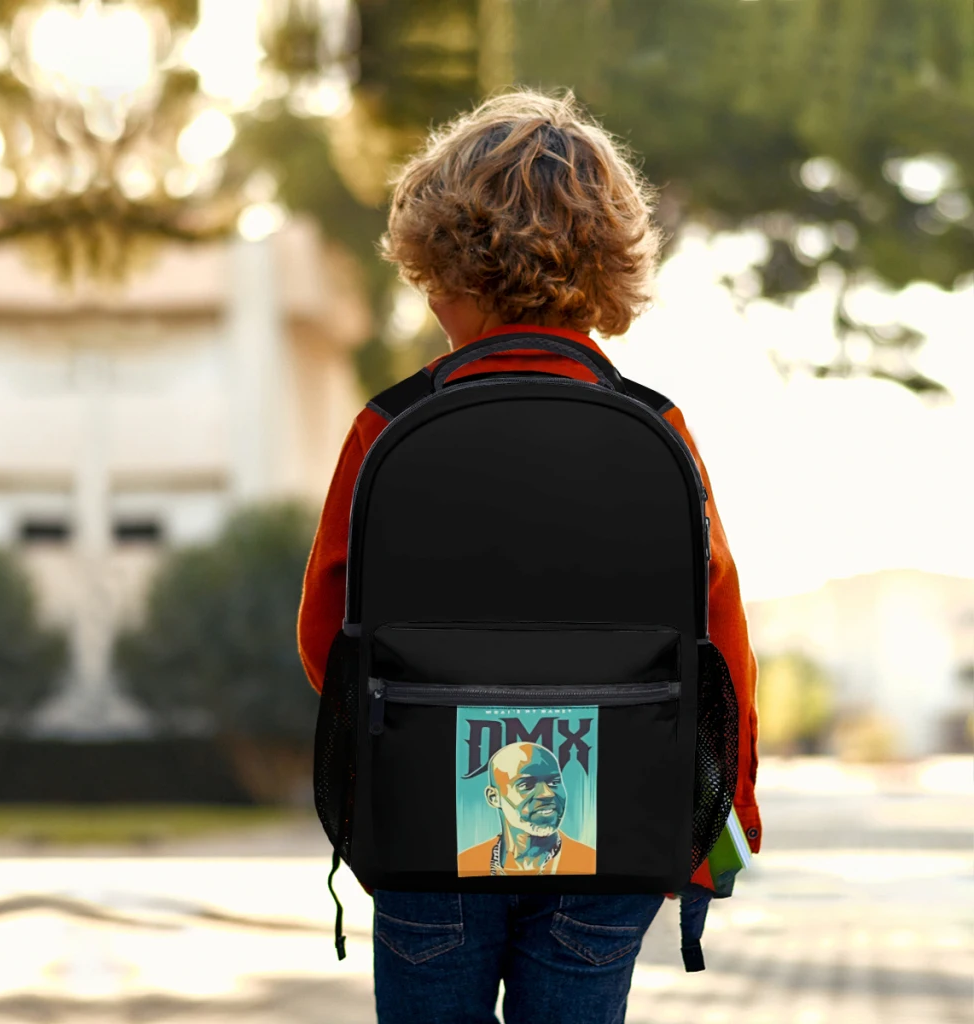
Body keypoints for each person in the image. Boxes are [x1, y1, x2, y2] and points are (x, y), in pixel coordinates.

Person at [298, 88, 760, 1024]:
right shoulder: (656, 427)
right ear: (609, 266)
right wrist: (720, 816)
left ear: (442, 267)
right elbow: (719, 638)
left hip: (431, 825)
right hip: (609, 831)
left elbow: (324, 638)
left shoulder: (387, 426)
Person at [458, 742, 597, 877]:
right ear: (494, 797)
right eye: (527, 785)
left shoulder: (588, 860)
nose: (547, 794)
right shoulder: (466, 862)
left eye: (554, 782)